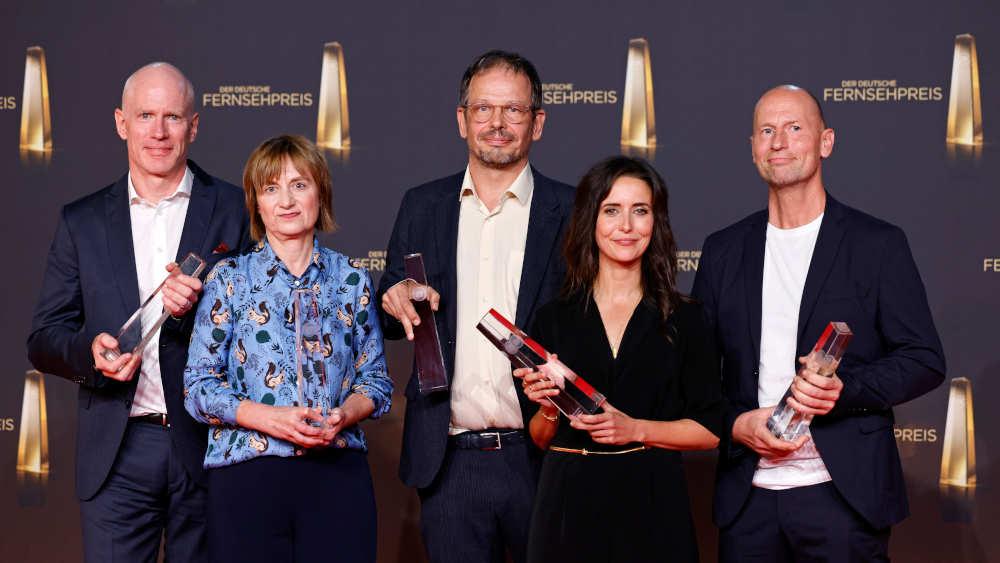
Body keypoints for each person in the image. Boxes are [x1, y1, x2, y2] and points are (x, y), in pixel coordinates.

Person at [693, 85, 946, 561]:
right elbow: (698, 377)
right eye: (766, 131)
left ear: (825, 141)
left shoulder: (878, 243)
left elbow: (924, 359)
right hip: (748, 499)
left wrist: (842, 391)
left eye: (794, 128)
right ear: (752, 148)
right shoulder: (722, 250)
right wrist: (737, 424)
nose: (778, 142)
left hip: (843, 497)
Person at [26, 62, 250, 561]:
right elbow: (43, 336)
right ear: (121, 122)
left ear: (194, 126)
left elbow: (265, 326)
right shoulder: (80, 220)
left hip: (212, 444)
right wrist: (90, 353)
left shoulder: (237, 209)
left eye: (173, 116)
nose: (159, 131)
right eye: (145, 114)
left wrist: (206, 303)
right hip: (118, 449)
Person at [377, 50, 575, 563]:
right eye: (484, 109)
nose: (498, 124)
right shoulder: (421, 206)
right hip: (449, 459)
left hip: (546, 455)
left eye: (514, 110)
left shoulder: (575, 212)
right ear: (462, 119)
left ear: (538, 122)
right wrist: (393, 297)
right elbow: (389, 316)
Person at [183, 134, 391, 562]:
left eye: (300, 184)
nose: (287, 200)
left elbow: (377, 382)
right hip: (248, 477)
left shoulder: (351, 278)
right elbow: (198, 387)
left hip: (338, 473)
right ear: (256, 203)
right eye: (271, 188)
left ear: (321, 193)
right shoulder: (229, 279)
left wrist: (343, 415)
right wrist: (271, 419)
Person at [515, 156, 723, 563]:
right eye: (612, 210)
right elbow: (540, 437)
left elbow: (710, 431)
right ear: (591, 221)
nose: (625, 226)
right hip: (566, 508)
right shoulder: (552, 318)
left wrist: (635, 428)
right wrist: (548, 408)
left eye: (639, 211)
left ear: (655, 223)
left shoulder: (686, 317)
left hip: (653, 504)